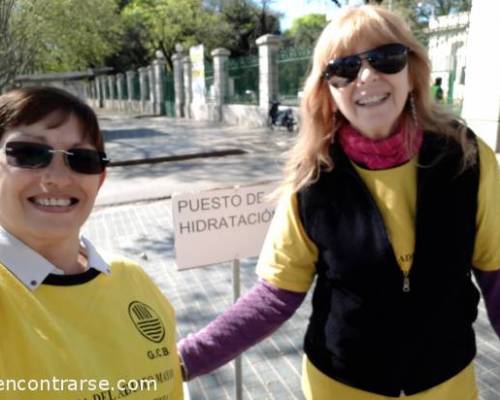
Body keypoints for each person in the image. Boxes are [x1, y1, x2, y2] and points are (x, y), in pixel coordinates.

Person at [178, 5, 500, 400]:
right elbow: (275, 295)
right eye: (344, 68)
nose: (367, 76)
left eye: (386, 58)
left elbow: (496, 276)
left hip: (447, 384)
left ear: (411, 70)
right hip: (340, 386)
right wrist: (184, 360)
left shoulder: (467, 158)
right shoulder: (312, 179)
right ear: (326, 90)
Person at [0, 86, 183, 400]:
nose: (57, 177)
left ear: (100, 179)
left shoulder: (134, 280)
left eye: (82, 159)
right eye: (29, 153)